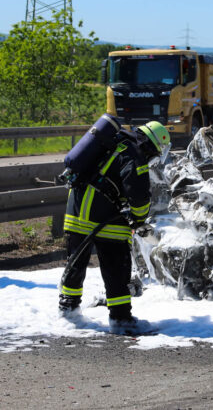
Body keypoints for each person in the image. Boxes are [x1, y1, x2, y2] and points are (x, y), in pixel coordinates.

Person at [59, 120, 171, 333]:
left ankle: (68, 311)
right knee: (116, 270)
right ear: (151, 145)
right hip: (104, 220)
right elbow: (138, 196)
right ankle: (121, 320)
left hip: (75, 213)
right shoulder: (135, 156)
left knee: (75, 264)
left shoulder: (112, 143)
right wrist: (138, 220)